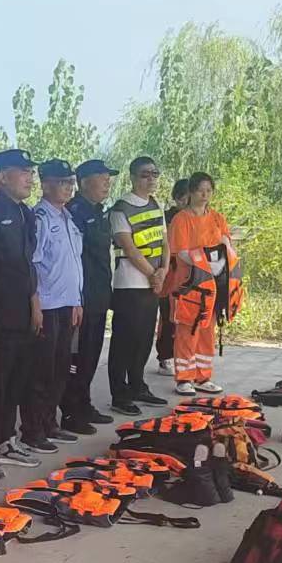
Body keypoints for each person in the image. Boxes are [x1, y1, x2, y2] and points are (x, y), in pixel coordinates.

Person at [0, 148, 43, 465]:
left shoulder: (26, 213)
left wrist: (34, 301)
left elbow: (28, 264)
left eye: (31, 172)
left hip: (22, 309)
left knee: (17, 381)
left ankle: (7, 440)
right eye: (24, 172)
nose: (30, 178)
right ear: (4, 176)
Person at [24, 160, 84, 448]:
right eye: (62, 182)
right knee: (42, 371)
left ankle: (50, 422)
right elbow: (33, 264)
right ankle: (33, 429)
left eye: (70, 182)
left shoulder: (67, 218)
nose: (68, 187)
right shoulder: (40, 218)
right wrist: (34, 304)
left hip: (67, 304)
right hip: (47, 305)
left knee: (61, 368)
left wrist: (77, 301)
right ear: (45, 184)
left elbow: (74, 264)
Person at [107, 156, 169, 415]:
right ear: (133, 177)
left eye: (155, 173)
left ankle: (137, 385)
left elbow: (165, 243)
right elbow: (129, 248)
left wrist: (163, 271)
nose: (151, 179)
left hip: (152, 283)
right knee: (125, 340)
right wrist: (153, 274)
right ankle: (119, 394)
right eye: (145, 174)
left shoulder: (157, 204)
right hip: (130, 284)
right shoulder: (120, 209)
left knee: (144, 339)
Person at [61, 159, 119, 434]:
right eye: (102, 178)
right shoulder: (74, 212)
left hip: (98, 296)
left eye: (109, 178)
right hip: (81, 298)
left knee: (91, 354)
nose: (107, 183)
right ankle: (70, 411)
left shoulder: (99, 211)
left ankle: (84, 404)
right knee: (76, 357)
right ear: (84, 182)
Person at [165, 171, 233, 395]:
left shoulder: (217, 218)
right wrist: (205, 263)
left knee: (207, 330)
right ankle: (184, 378)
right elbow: (181, 252)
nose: (204, 195)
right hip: (189, 284)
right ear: (191, 192)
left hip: (213, 285)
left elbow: (226, 242)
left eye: (208, 191)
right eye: (200, 191)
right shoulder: (181, 219)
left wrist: (222, 260)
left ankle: (203, 377)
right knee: (187, 331)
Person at [154, 179, 186, 375]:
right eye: (183, 198)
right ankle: (165, 356)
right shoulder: (166, 218)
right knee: (168, 317)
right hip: (169, 276)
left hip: (190, 278)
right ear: (176, 198)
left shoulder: (197, 218)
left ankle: (183, 355)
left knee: (186, 319)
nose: (186, 202)